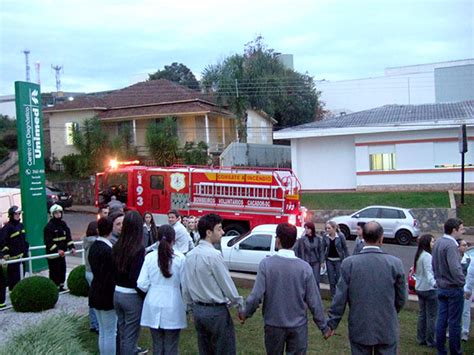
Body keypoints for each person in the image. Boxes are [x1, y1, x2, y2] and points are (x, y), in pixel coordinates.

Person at [240, 222, 331, 354]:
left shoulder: (266, 264)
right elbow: (314, 301)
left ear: (277, 240)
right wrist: (324, 327)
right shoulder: (304, 268)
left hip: (273, 324)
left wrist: (245, 313)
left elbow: (255, 296)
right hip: (298, 326)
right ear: (294, 242)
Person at [328, 221, 407, 354]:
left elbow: (339, 298)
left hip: (360, 325)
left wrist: (332, 323)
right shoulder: (395, 264)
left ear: (363, 237)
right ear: (381, 238)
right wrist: (390, 311)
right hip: (386, 325)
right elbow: (401, 298)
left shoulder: (350, 264)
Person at [181, 213, 243, 355]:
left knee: (205, 349)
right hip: (216, 312)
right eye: (219, 229)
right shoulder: (214, 256)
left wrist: (190, 308)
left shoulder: (190, 256)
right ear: (209, 232)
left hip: (198, 311)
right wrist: (239, 303)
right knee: (224, 350)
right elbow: (227, 285)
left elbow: (185, 287)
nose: (222, 232)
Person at [137, 225, 187, 355]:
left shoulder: (149, 257)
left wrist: (153, 289)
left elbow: (141, 283)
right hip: (173, 304)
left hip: (153, 302)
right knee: (171, 345)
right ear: (174, 240)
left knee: (157, 344)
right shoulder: (180, 258)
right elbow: (185, 284)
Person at [112, 210, 147, 355]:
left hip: (117, 293)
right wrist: (143, 294)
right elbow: (136, 278)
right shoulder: (138, 249)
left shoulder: (116, 245)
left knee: (123, 330)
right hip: (131, 296)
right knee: (131, 335)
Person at [432, 218, 465, 355]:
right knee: (454, 322)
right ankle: (455, 351)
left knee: (441, 320)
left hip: (441, 287)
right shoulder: (451, 246)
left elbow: (434, 264)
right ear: (454, 230)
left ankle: (440, 349)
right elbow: (455, 268)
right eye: (461, 229)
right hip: (453, 288)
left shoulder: (438, 242)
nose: (463, 231)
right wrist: (462, 281)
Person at [88, 217, 117, 355]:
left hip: (95, 290)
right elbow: (111, 275)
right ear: (111, 230)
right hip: (106, 295)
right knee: (110, 332)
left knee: (103, 332)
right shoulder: (108, 250)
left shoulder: (94, 247)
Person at [43, 204, 75, 291]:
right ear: (52, 214)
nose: (58, 214)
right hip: (53, 255)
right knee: (54, 271)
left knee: (62, 270)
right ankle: (53, 288)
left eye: (59, 212)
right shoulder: (49, 227)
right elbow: (48, 242)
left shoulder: (63, 225)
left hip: (61, 254)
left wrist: (72, 247)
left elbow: (68, 238)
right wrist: (57, 250)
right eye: (56, 213)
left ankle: (61, 286)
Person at [414, 234, 437, 348]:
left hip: (420, 288)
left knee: (422, 314)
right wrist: (435, 284)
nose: (434, 244)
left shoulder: (419, 255)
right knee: (431, 316)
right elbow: (429, 273)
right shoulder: (427, 256)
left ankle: (421, 338)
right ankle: (430, 340)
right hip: (428, 289)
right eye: (432, 242)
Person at [1, 206, 29, 291]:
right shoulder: (7, 228)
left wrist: (26, 248)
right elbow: (2, 242)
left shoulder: (21, 225)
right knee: (13, 278)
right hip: (13, 258)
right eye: (16, 214)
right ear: (11, 215)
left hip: (22, 257)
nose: (18, 215)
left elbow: (23, 240)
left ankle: (20, 293)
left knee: (21, 276)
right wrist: (5, 254)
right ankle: (13, 294)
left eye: (19, 214)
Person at [293, 221, 325, 289]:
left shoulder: (318, 239)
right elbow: (296, 249)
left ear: (312, 229)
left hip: (316, 261)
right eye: (305, 228)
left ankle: (316, 295)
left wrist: (322, 261)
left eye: (308, 228)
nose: (306, 230)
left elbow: (321, 251)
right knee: (306, 279)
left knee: (316, 280)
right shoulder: (302, 239)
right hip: (306, 261)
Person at [323, 220, 349, 297]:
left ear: (334, 228)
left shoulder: (340, 236)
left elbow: (345, 248)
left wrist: (347, 259)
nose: (327, 230)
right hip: (329, 260)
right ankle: (333, 295)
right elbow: (322, 248)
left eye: (329, 228)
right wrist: (322, 260)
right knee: (331, 280)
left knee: (339, 278)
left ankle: (339, 295)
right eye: (326, 228)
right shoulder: (325, 236)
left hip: (338, 260)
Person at [83, 223, 100, 334]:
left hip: (87, 272)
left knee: (92, 299)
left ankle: (93, 323)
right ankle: (97, 324)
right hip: (93, 272)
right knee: (98, 300)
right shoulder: (96, 243)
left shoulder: (86, 241)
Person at [457, 238, 471, 342]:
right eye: (463, 245)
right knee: (454, 310)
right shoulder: (453, 258)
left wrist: (468, 289)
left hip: (466, 287)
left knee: (465, 311)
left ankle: (465, 332)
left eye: (466, 245)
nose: (465, 247)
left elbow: (470, 276)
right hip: (455, 287)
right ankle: (452, 330)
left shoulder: (469, 259)